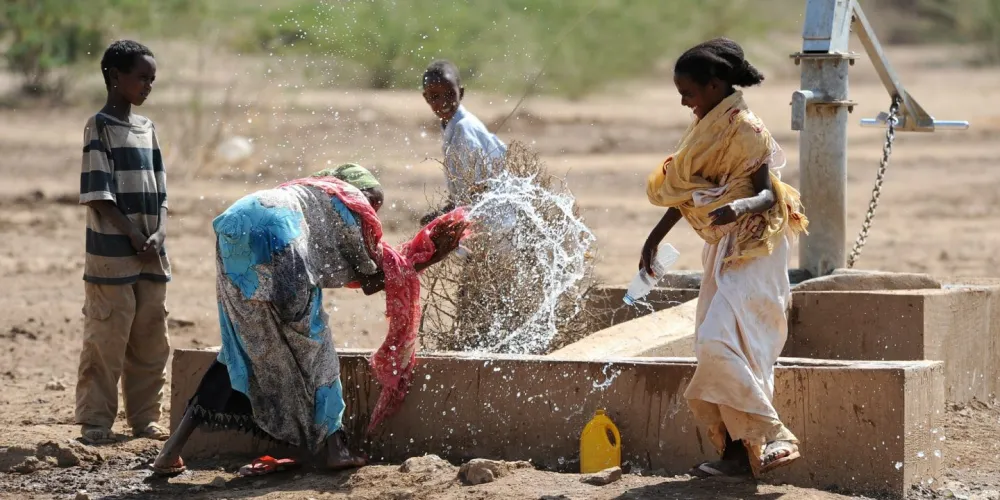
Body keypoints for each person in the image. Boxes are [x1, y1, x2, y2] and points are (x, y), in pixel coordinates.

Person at [152, 164, 468, 475]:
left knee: (240, 344)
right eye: (374, 205)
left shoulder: (307, 192)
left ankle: (170, 452)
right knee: (315, 345)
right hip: (282, 240)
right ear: (361, 193)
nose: (373, 217)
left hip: (235, 225)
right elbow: (372, 279)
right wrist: (429, 254)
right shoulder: (350, 204)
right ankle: (335, 449)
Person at [641, 38, 809, 478]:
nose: (683, 102)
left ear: (715, 86)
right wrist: (654, 238)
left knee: (728, 341)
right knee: (715, 344)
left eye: (688, 93)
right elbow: (689, 191)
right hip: (721, 243)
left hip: (755, 243)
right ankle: (738, 455)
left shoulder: (746, 128)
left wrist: (738, 207)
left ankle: (773, 436)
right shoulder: (704, 125)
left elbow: (766, 193)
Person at [76, 40, 171, 444]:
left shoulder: (147, 129)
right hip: (113, 254)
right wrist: (133, 235)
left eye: (152, 79)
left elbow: (161, 191)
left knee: (151, 338)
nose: (148, 86)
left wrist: (158, 233)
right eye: (141, 78)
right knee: (107, 338)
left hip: (151, 252)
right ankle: (95, 421)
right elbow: (99, 194)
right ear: (115, 77)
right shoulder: (99, 126)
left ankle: (145, 418)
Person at [420, 59, 507, 225]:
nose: (443, 102)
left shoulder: (464, 129)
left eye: (449, 94)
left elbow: (478, 190)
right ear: (426, 98)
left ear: (461, 93)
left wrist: (449, 214)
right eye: (435, 96)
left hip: (494, 216)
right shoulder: (450, 124)